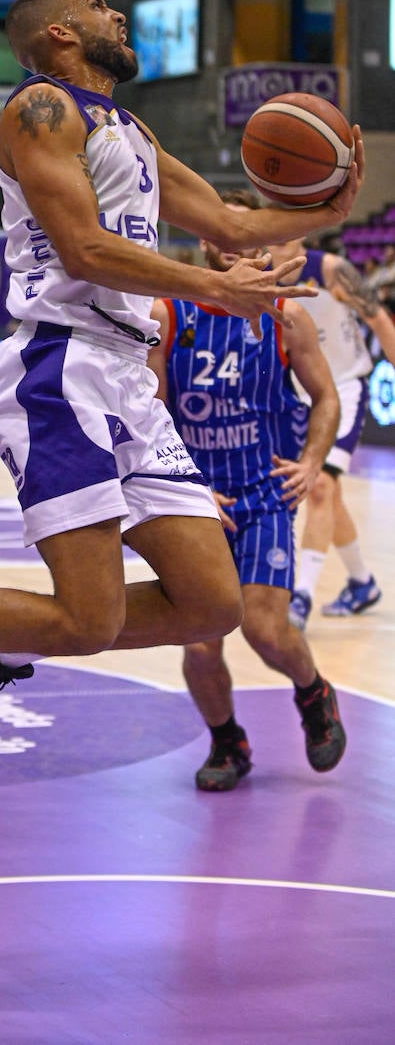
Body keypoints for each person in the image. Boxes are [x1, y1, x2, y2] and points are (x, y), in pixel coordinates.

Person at [0, 0, 364, 766]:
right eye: (96, 6)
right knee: (87, 620)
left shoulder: (128, 129)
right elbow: (83, 249)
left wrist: (328, 212)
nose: (115, 15)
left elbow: (231, 221)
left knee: (209, 605)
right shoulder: (40, 110)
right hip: (58, 367)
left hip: (125, 377)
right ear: (59, 34)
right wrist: (214, 286)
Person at [148, 190, 345, 792]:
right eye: (227, 232)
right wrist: (182, 484)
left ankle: (313, 692)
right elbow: (151, 411)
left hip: (262, 492)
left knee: (264, 630)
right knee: (202, 643)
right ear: (209, 242)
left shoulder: (288, 314)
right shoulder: (170, 313)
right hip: (195, 497)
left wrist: (313, 461)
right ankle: (227, 742)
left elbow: (328, 398)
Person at [270, 236, 395, 626]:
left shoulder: (331, 270)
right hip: (299, 391)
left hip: (344, 386)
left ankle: (301, 596)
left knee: (319, 486)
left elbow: (379, 321)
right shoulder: (257, 270)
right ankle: (362, 582)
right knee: (330, 494)